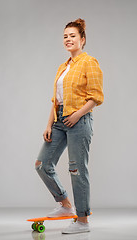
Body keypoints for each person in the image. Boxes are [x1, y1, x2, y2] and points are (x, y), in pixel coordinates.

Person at [35, 18, 104, 234]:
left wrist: (76, 115)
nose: (68, 39)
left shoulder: (89, 62)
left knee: (76, 169)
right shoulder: (62, 67)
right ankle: (66, 206)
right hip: (59, 120)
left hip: (80, 120)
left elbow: (96, 97)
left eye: (72, 36)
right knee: (42, 164)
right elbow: (55, 100)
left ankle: (82, 221)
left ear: (82, 40)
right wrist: (49, 124)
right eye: (65, 36)